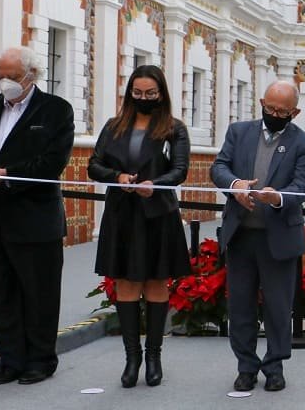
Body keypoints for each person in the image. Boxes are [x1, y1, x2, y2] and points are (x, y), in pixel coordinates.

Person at [0, 47, 74, 385]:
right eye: (0, 75)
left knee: (39, 294)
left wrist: (7, 174)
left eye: (12, 76)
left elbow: (52, 164)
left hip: (35, 221)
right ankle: (11, 359)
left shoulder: (56, 110)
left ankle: (39, 360)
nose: (5, 82)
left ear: (31, 75)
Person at [211, 79, 305, 393]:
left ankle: (274, 366)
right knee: (240, 305)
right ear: (261, 102)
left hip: (279, 238)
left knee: (278, 306)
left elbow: (303, 186)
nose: (274, 113)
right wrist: (235, 186)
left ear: (294, 112)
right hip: (241, 236)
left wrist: (278, 197)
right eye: (269, 108)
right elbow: (219, 167)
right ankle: (246, 367)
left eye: (281, 111)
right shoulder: (238, 132)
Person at [89, 65, 191, 388]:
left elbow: (180, 170)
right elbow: (95, 164)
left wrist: (155, 184)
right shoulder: (113, 126)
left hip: (158, 213)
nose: (143, 98)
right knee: (126, 283)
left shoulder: (174, 128)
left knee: (156, 283)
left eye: (150, 93)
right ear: (130, 93)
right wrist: (116, 178)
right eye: (137, 93)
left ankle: (154, 357)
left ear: (161, 94)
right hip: (122, 214)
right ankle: (131, 358)